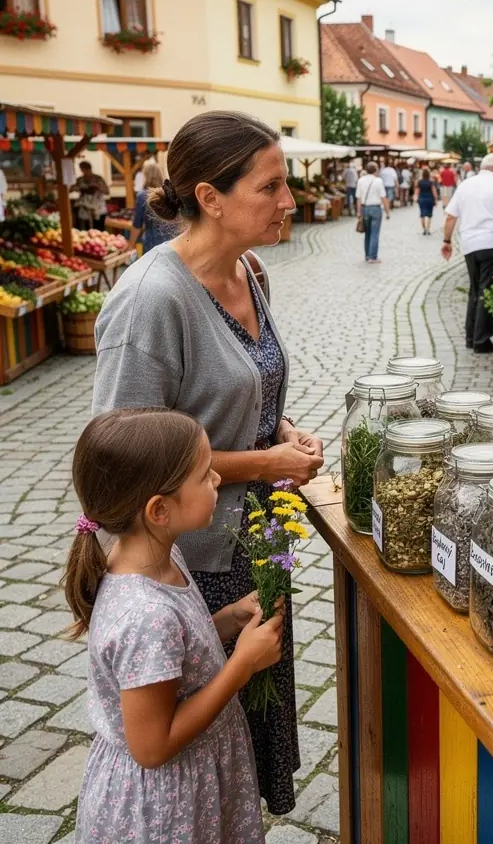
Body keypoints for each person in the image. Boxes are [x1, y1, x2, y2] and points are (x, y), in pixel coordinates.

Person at [93, 111, 324, 815]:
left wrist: (281, 429)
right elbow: (125, 458)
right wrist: (263, 462)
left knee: (247, 743)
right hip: (194, 557)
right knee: (201, 752)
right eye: (271, 186)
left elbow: (247, 384)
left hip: (257, 540)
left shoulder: (250, 271)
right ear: (210, 197)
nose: (290, 201)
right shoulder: (150, 300)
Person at [66, 408, 282, 844]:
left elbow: (182, 651)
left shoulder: (159, 558)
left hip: (194, 779)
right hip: (166, 805)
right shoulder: (146, 615)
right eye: (204, 476)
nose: (217, 480)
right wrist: (242, 665)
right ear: (159, 510)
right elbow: (153, 747)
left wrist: (229, 620)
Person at [441, 152, 493, 353]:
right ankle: (481, 339)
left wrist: (447, 241)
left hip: (470, 245)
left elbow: (450, 217)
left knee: (475, 289)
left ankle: (471, 336)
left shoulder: (465, 186)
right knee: (487, 291)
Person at [128, 159, 175, 254]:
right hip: (172, 242)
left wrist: (130, 244)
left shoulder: (142, 196)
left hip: (152, 243)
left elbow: (137, 225)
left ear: (145, 176)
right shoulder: (169, 193)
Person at [356, 160, 390, 263]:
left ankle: (367, 255)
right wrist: (388, 211)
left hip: (364, 208)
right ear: (376, 170)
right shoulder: (378, 181)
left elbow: (358, 198)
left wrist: (358, 211)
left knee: (367, 233)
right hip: (375, 208)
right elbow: (383, 197)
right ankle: (373, 256)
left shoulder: (361, 180)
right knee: (375, 233)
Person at [73, 161, 109, 230]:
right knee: (86, 228)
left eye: (84, 169)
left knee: (99, 228)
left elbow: (107, 191)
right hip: (85, 208)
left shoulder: (98, 179)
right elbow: (71, 189)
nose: (83, 172)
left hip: (98, 208)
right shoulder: (80, 180)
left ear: (89, 169)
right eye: (82, 170)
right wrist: (79, 188)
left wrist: (98, 186)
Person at [417, 165, 439, 235]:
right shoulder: (431, 182)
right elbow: (434, 191)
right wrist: (436, 199)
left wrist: (416, 198)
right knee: (429, 215)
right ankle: (428, 229)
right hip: (430, 198)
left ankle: (424, 229)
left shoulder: (419, 182)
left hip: (421, 198)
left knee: (422, 214)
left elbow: (417, 191)